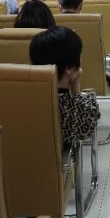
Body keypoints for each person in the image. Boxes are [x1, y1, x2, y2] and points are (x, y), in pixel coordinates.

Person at [29, 27, 101, 156]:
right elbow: (87, 130)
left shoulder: (27, 98)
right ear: (70, 68)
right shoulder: (69, 107)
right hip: (58, 163)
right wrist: (75, 86)